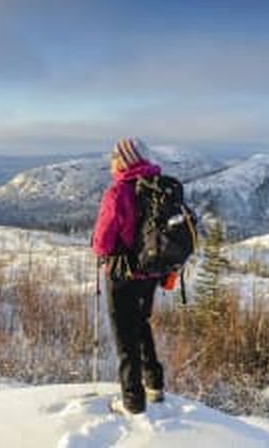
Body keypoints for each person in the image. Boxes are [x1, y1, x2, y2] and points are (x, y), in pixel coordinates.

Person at [92, 137, 165, 414]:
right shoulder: (154, 187)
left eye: (114, 155)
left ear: (125, 159)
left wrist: (97, 248)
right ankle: (155, 384)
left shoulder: (118, 192)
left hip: (123, 274)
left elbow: (103, 243)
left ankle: (132, 401)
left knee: (124, 336)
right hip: (150, 272)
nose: (111, 160)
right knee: (141, 324)